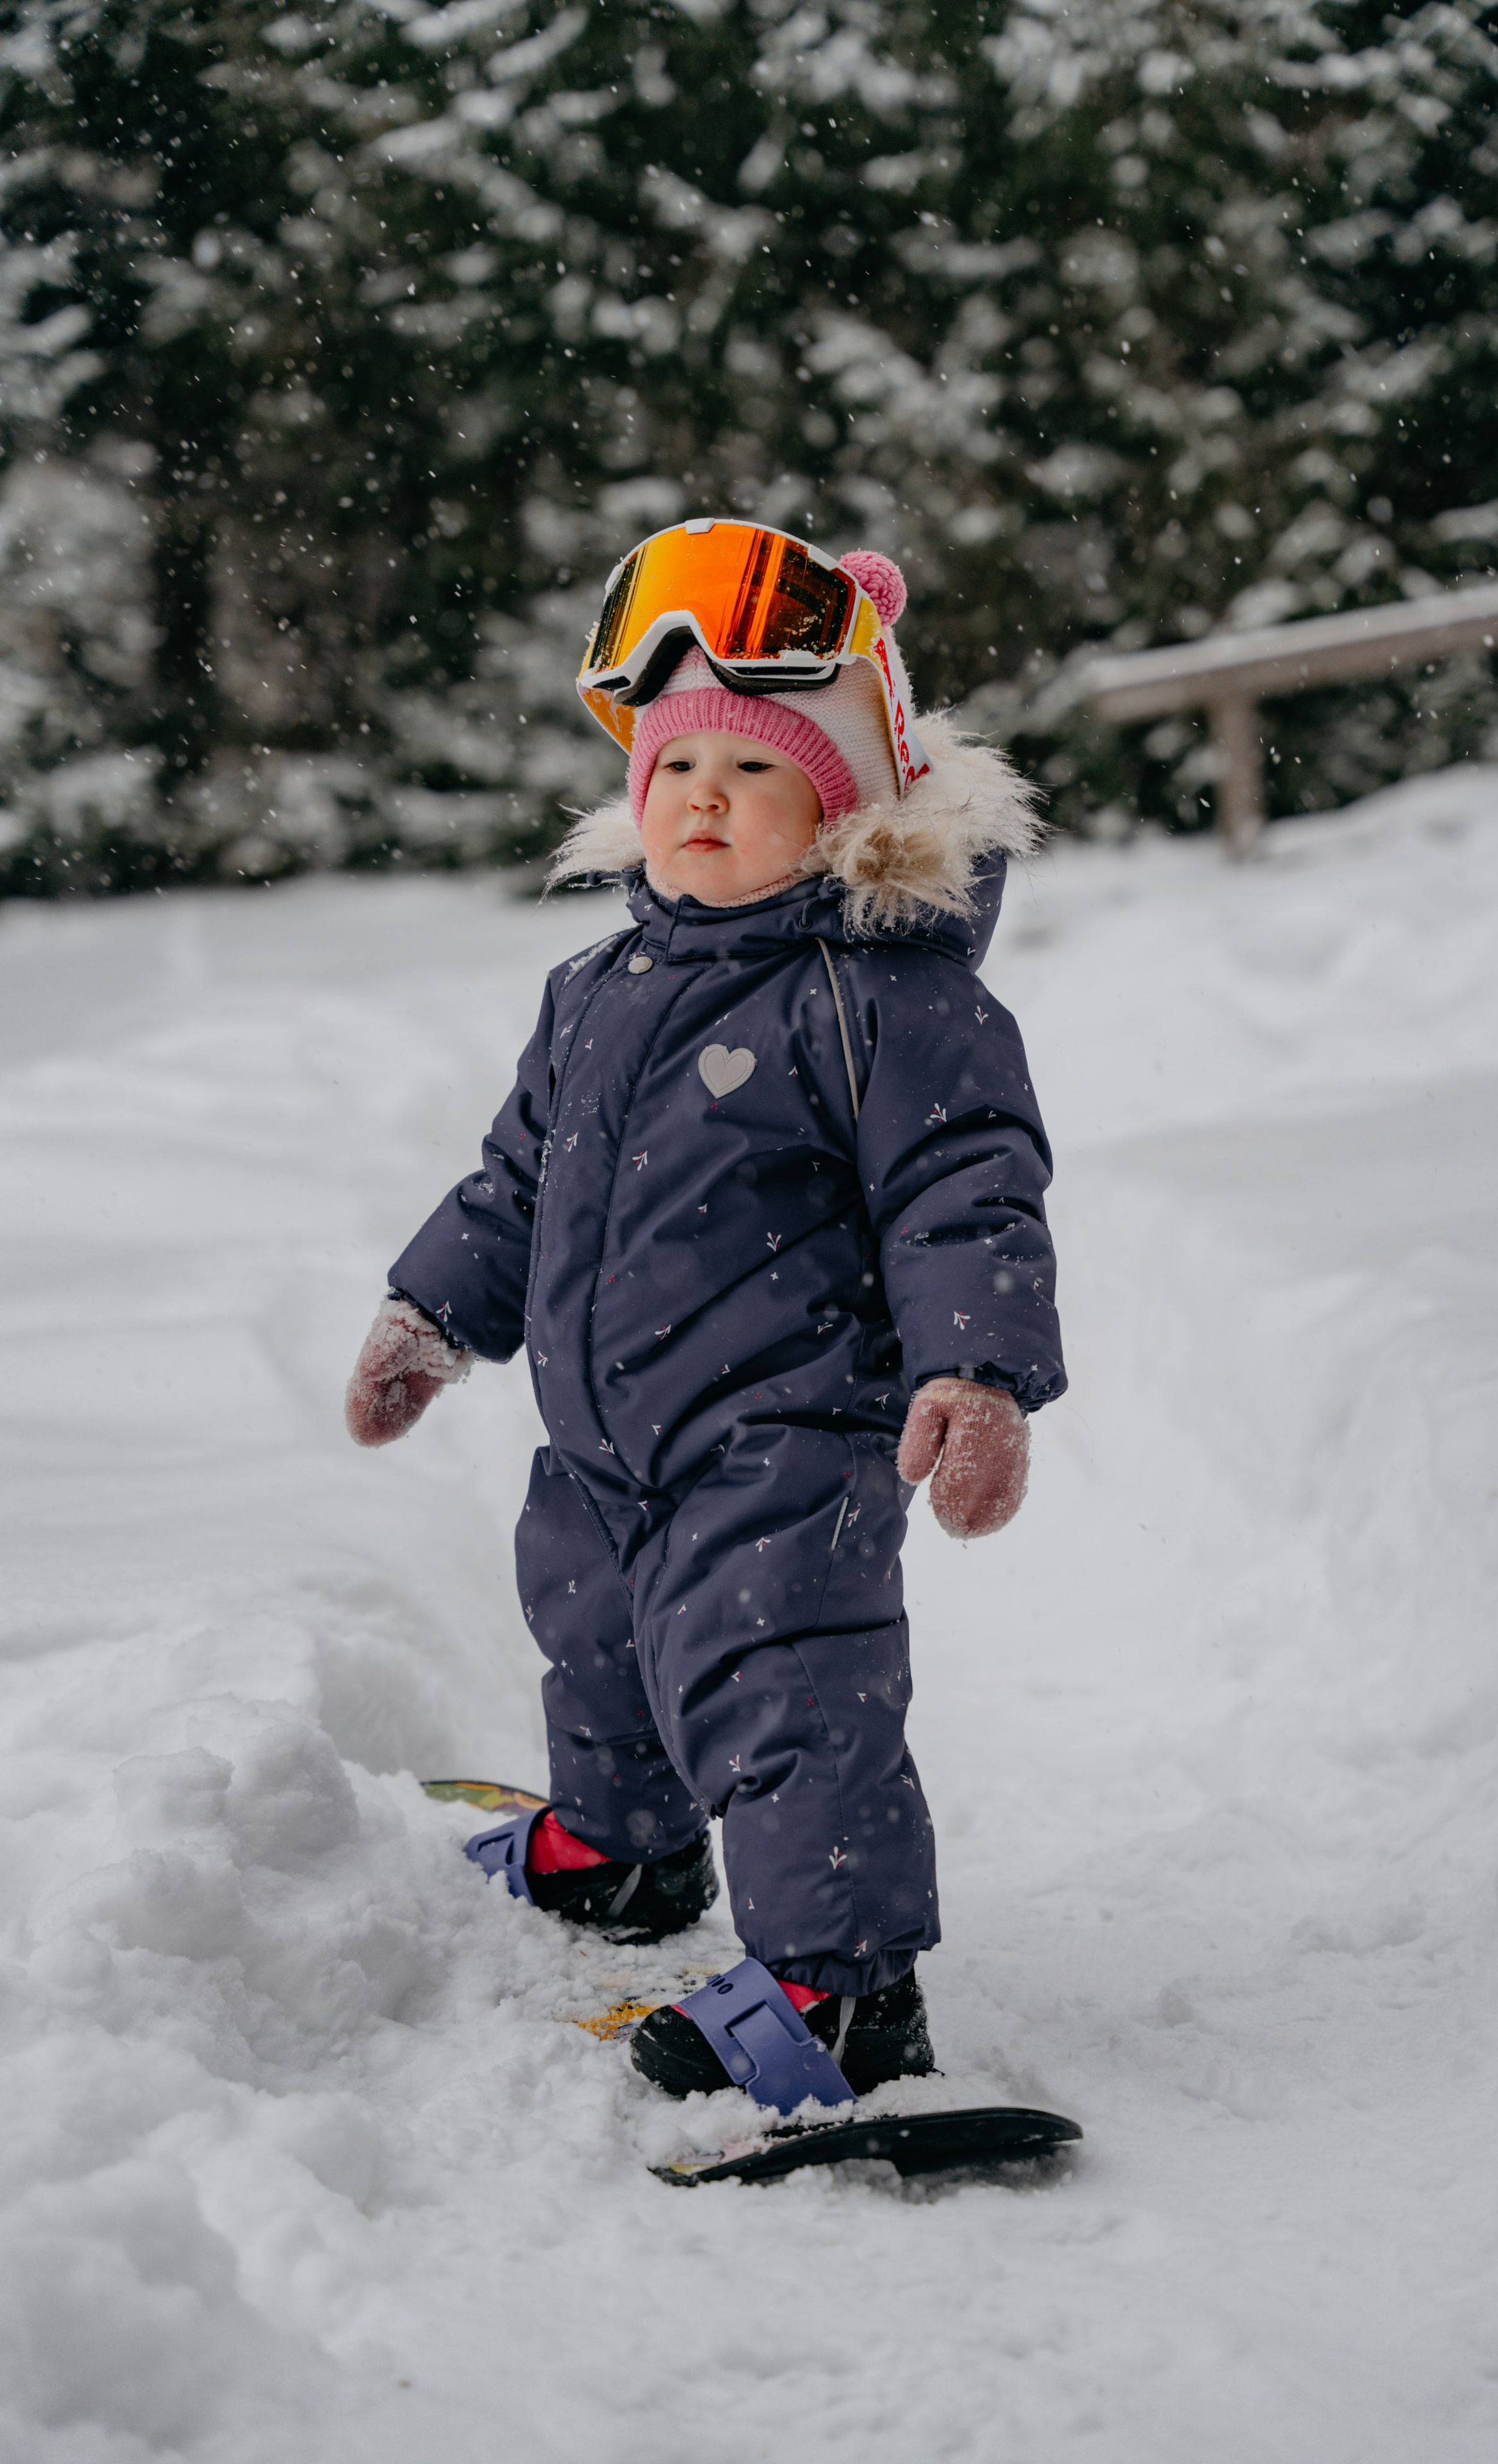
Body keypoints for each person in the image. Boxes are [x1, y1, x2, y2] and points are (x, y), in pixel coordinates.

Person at [345, 524, 1065, 2096]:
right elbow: (517, 1179)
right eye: (676, 766)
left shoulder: (884, 995)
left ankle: (842, 1993)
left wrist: (976, 1374)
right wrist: (431, 1310)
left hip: (786, 1437)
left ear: (840, 809)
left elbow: (966, 1194)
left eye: (754, 768)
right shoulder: (595, 989)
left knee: (785, 1689)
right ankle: (624, 1850)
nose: (704, 797)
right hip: (605, 1438)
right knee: (593, 1634)